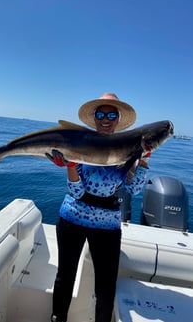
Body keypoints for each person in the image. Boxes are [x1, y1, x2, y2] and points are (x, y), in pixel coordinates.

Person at [46, 93, 150, 322]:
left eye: (111, 114)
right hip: (72, 217)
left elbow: (133, 189)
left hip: (108, 225)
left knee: (106, 285)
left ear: (117, 118)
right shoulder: (80, 142)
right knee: (65, 276)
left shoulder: (128, 146)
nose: (106, 118)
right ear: (94, 117)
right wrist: (71, 164)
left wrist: (143, 160)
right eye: (101, 114)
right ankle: (57, 319)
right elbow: (76, 192)